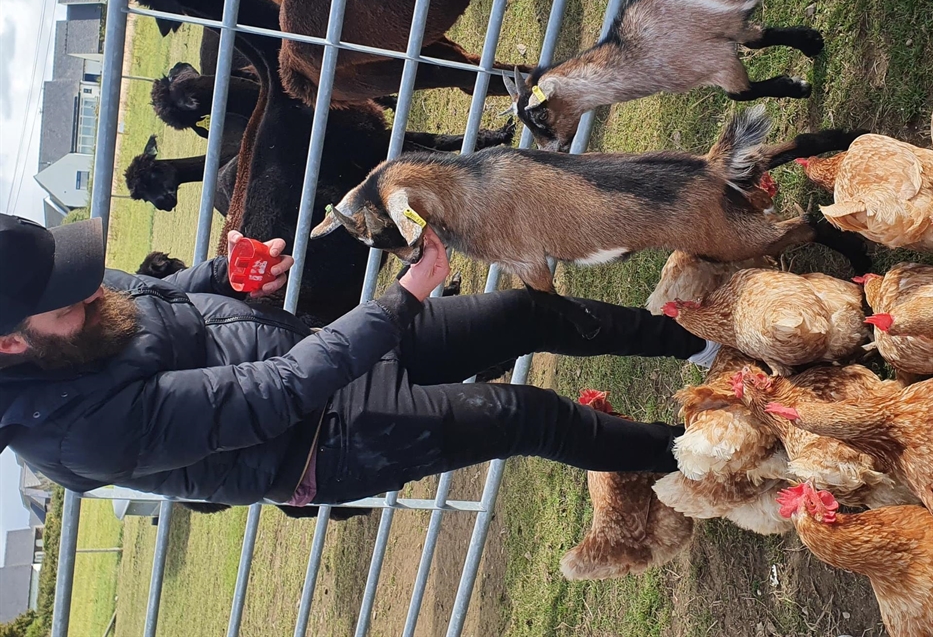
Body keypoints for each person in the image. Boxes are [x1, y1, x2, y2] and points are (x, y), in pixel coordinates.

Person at [0, 213, 719, 508]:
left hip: (309, 350)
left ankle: (703, 340)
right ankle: (708, 457)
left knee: (517, 312)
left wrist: (226, 276)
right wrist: (400, 300)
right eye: (68, 296)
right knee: (523, 413)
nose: (92, 288)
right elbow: (271, 395)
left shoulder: (69, 310)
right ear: (9, 345)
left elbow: (150, 296)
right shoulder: (75, 433)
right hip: (321, 442)